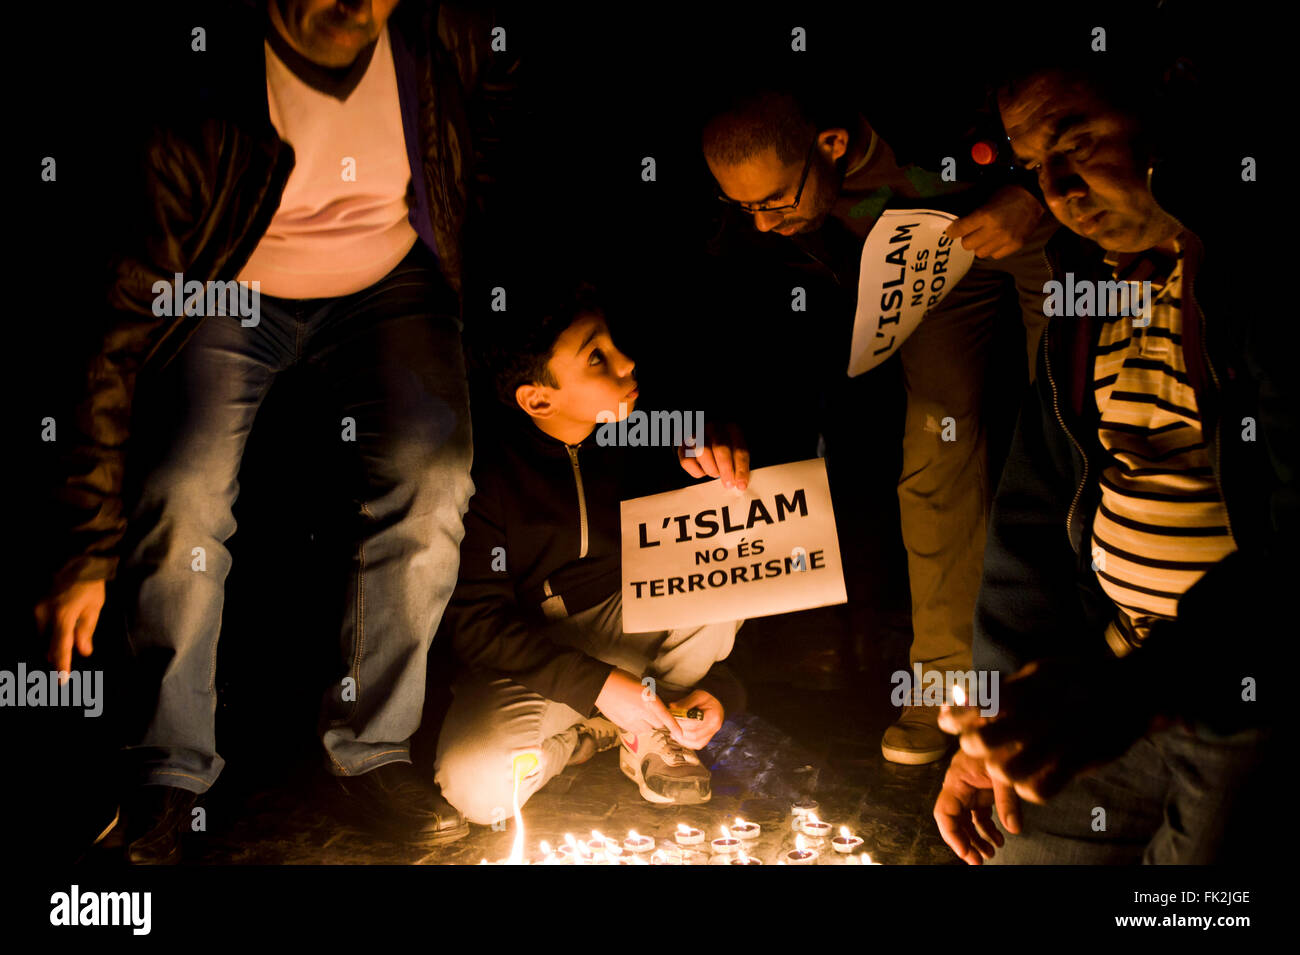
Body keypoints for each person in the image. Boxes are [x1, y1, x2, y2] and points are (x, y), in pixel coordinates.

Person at [32, 0, 514, 863]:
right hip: (232, 285)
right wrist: (84, 544)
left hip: (390, 279)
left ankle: (370, 752)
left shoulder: (446, 36)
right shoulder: (196, 96)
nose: (349, 7)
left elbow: (498, 167)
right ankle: (170, 771)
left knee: (434, 472)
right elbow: (115, 329)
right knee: (182, 492)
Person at [934, 47, 1285, 864]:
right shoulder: (1091, 298)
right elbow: (1031, 509)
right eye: (1034, 168)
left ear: (1168, 114)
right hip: (1111, 676)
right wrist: (994, 727)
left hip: (1242, 702)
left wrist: (1139, 692)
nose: (1058, 193)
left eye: (1078, 143)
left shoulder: (1260, 279)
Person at [701, 73, 1059, 763]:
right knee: (935, 446)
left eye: (775, 202)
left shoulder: (924, 99)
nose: (762, 224)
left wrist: (1031, 192)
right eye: (741, 206)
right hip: (936, 262)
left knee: (1063, 425)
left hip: (1032, 222)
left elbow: (1078, 117)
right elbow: (727, 298)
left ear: (831, 144)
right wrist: (720, 410)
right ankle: (949, 687)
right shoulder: (759, 211)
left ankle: (1068, 681)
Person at [434, 271, 746, 823]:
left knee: (725, 567)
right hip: (536, 661)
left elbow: (724, 529)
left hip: (638, 628)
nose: (625, 362)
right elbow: (475, 625)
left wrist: (718, 447)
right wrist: (599, 687)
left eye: (611, 343)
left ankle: (655, 730)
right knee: (478, 787)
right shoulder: (481, 472)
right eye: (595, 359)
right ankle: (612, 731)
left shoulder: (642, 428)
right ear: (537, 398)